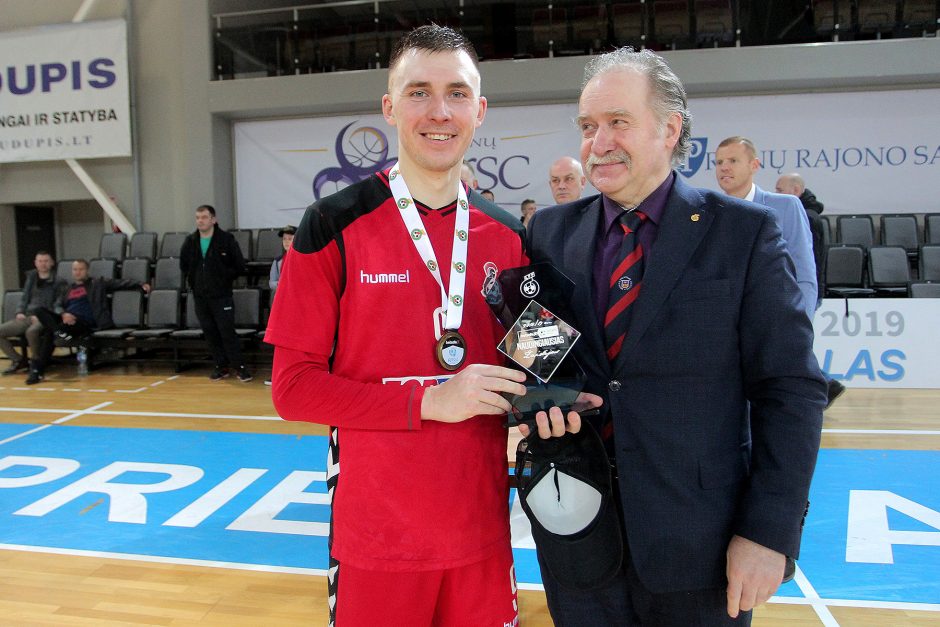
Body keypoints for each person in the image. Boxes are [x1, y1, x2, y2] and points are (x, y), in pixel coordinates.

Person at [525, 47, 826, 625]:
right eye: (588, 126)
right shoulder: (551, 233)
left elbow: (790, 389)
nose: (599, 141)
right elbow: (541, 355)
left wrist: (769, 533)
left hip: (703, 548)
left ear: (669, 129)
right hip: (577, 537)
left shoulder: (743, 233)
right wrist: (546, 400)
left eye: (618, 122)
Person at [266, 25, 536, 627]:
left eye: (457, 93)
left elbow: (540, 366)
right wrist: (430, 402)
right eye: (418, 92)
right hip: (377, 543)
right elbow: (292, 389)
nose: (439, 112)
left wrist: (555, 398)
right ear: (389, 107)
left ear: (480, 110)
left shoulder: (510, 236)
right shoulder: (331, 225)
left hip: (482, 536)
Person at [714, 136, 817, 323]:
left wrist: (802, 326)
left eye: (733, 161)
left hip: (776, 324)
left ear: (754, 165)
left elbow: (804, 272)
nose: (724, 167)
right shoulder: (711, 213)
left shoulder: (786, 206)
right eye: (719, 162)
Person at [776, 173, 845, 408]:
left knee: (792, 344)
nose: (776, 194)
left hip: (803, 289)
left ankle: (823, 384)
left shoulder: (805, 217)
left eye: (780, 189)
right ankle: (824, 384)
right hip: (804, 288)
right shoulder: (810, 215)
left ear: (796, 191)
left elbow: (807, 261)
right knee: (792, 344)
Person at [28, 258, 151, 384]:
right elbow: (58, 305)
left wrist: (140, 283)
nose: (77, 272)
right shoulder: (67, 288)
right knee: (39, 310)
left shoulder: (97, 283)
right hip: (66, 319)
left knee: (49, 333)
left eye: (81, 269)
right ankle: (58, 331)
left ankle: (37, 370)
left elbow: (120, 283)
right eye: (75, 269)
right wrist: (64, 314)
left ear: (87, 270)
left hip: (84, 322)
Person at [179, 204, 252, 382]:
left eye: (204, 217)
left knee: (227, 332)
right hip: (201, 297)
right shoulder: (190, 241)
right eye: (197, 217)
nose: (200, 221)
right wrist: (194, 283)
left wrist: (221, 277)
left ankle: (240, 367)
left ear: (213, 219)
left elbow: (239, 266)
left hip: (221, 296)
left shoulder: (226, 239)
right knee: (210, 333)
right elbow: (184, 265)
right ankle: (221, 366)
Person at [0, 250, 64, 375]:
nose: (43, 264)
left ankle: (37, 362)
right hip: (28, 315)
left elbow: (58, 303)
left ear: (51, 263)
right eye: (40, 261)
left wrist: (42, 316)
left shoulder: (59, 281)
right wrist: (20, 311)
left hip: (45, 316)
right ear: (35, 263)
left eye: (46, 261)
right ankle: (18, 360)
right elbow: (25, 298)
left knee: (32, 331)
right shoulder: (31, 277)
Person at [264, 225, 295, 386]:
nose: (286, 242)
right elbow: (272, 282)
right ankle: (276, 374)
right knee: (279, 341)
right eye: (284, 239)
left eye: (290, 238)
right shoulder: (278, 261)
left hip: (296, 307)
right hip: (280, 306)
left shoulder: (302, 258)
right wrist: (284, 284)